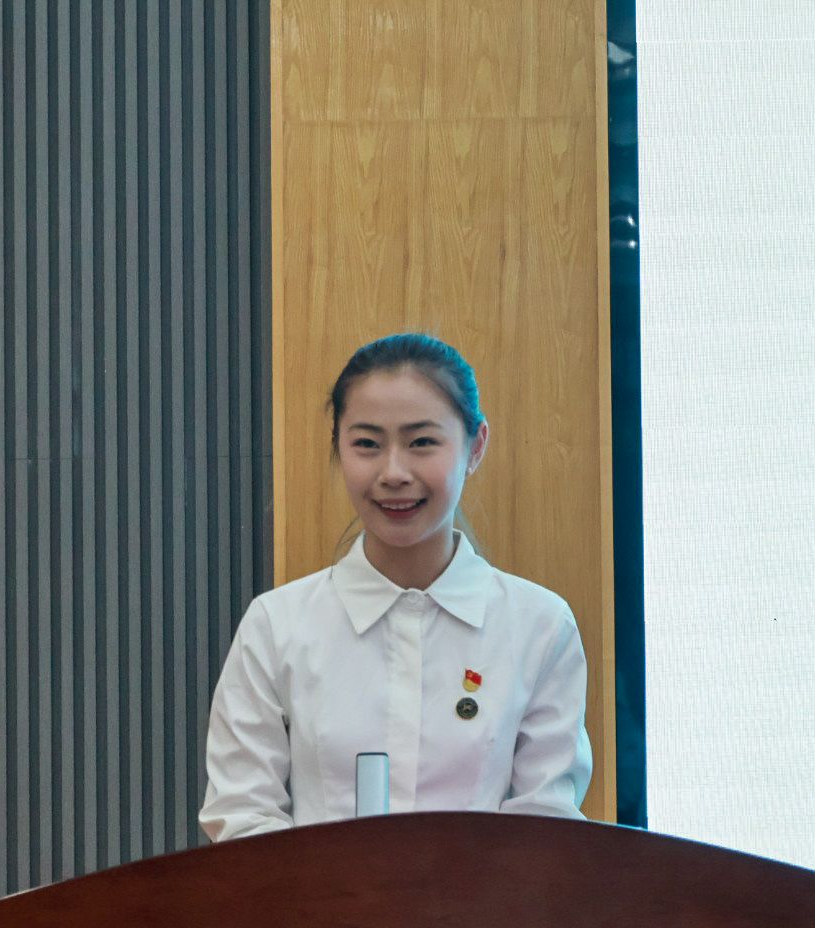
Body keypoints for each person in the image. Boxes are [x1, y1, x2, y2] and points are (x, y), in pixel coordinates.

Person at [198, 332, 592, 841]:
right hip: (313, 896)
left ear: (475, 446)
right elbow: (242, 817)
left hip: (484, 898)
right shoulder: (277, 626)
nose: (394, 473)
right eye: (367, 444)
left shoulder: (540, 626)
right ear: (338, 447)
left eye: (422, 442)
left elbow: (546, 830)